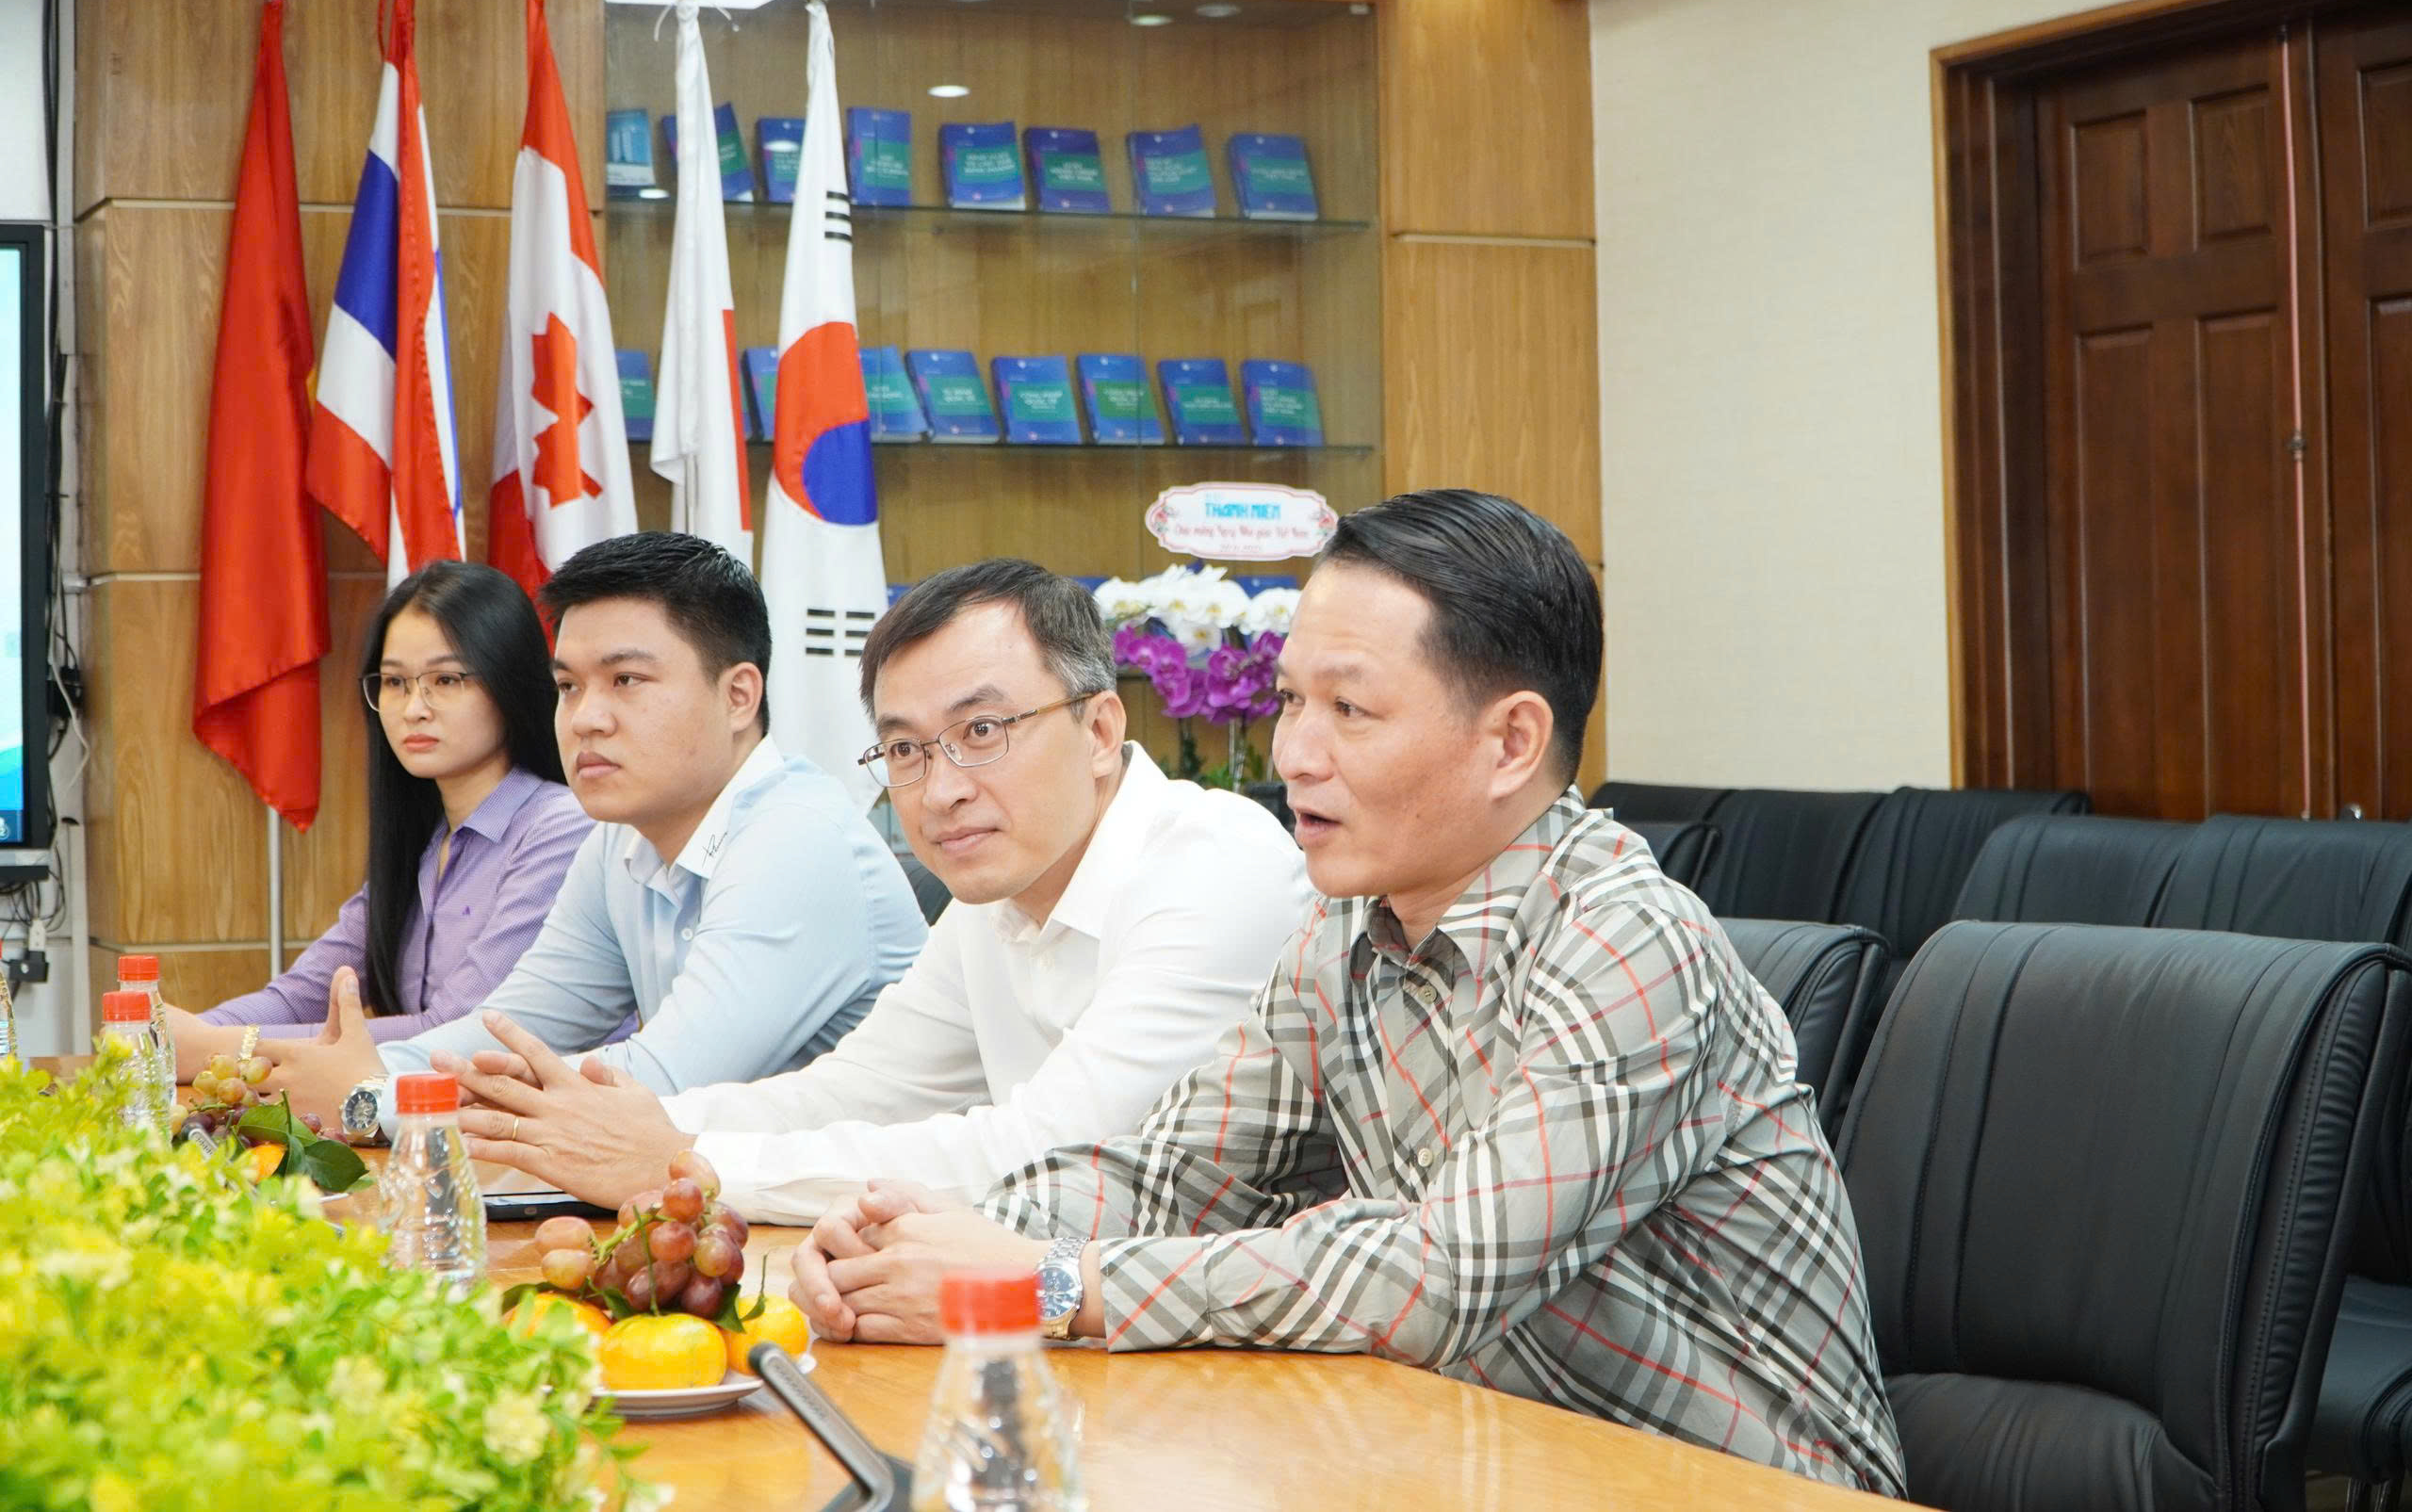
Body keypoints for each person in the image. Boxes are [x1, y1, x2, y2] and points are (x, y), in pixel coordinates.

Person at [784, 490, 1908, 1498]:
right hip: (1474, 1453)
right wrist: (924, 1245)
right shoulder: (1342, 929)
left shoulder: (1629, 941)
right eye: (1289, 701)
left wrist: (1041, 1282)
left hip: (1743, 1484)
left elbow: (1436, 1277)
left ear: (1511, 741)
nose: (1295, 755)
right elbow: (1176, 1172)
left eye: (1350, 711)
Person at [441, 558, 1312, 1222]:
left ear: (1099, 728)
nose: (942, 789)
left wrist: (685, 1161)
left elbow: (1055, 1151)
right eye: (905, 749)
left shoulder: (1213, 865)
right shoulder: (992, 894)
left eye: (982, 729)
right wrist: (638, 1127)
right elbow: (854, 1089)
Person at [258, 532, 927, 1130]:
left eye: (626, 679)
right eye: (569, 687)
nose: (585, 719)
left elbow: (656, 1083)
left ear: (738, 696)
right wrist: (348, 1075)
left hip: (871, 1211)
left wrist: (375, 1095)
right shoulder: (618, 839)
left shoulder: (797, 841)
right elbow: (513, 1029)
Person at [167, 561, 591, 1075]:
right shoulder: (425, 841)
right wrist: (180, 1038)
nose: (414, 708)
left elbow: (455, 1029)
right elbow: (304, 995)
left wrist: (225, 1045)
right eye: (394, 682)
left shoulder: (561, 829)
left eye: (446, 679)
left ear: (510, 684)